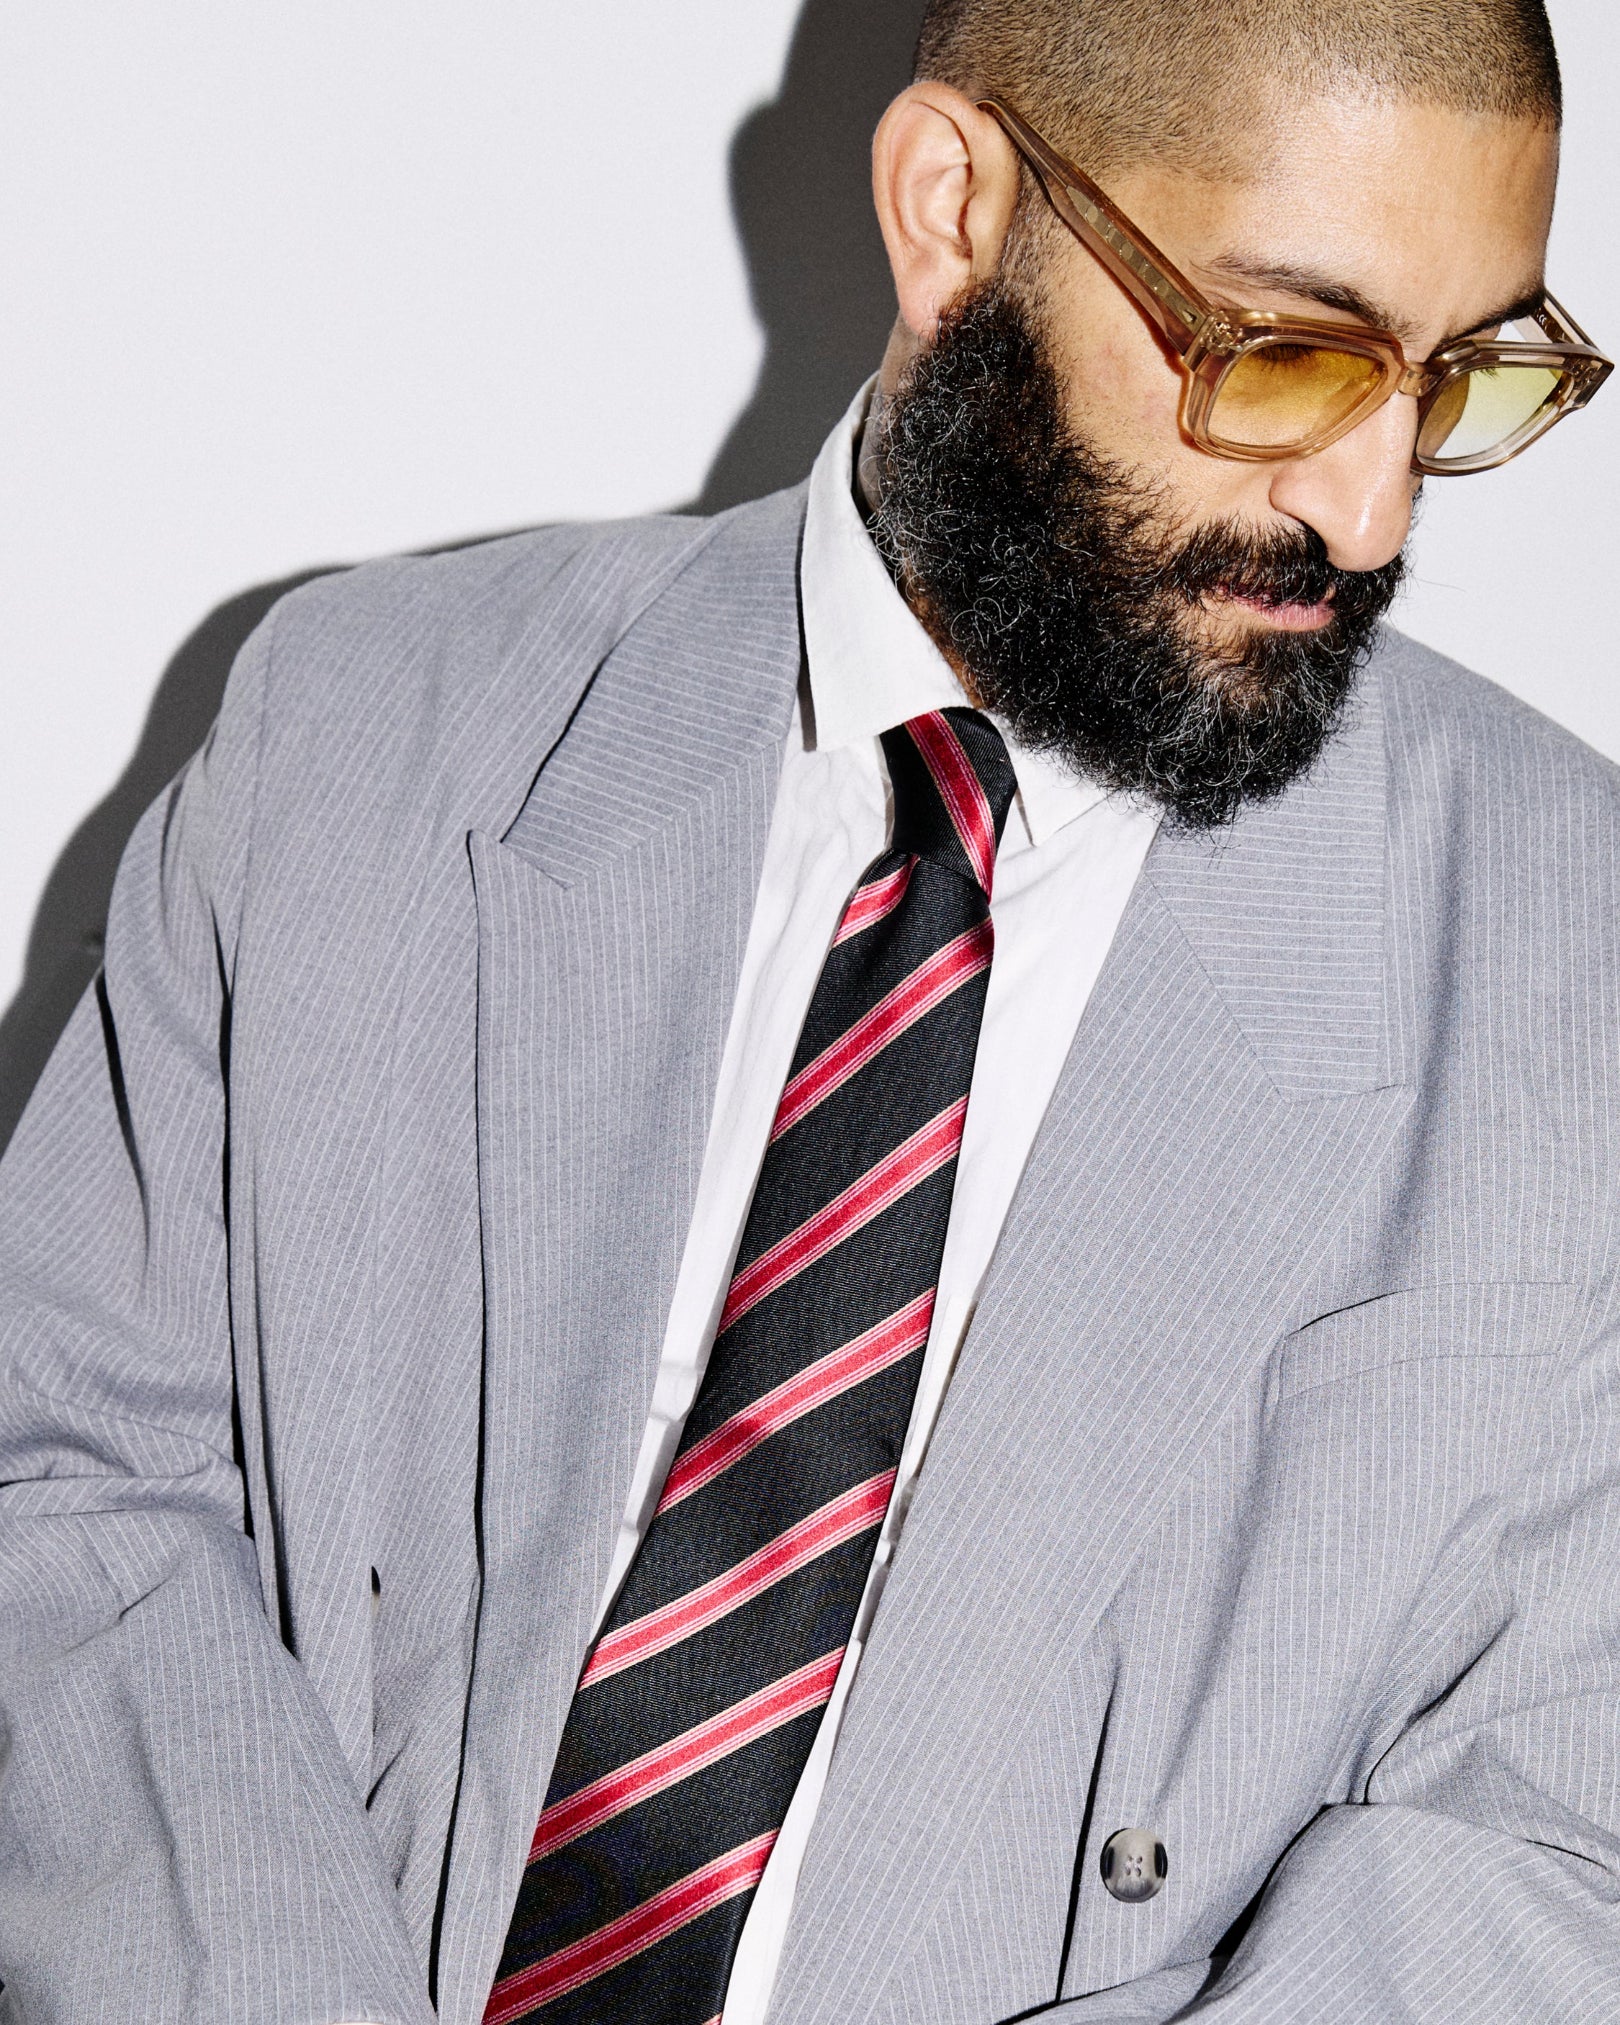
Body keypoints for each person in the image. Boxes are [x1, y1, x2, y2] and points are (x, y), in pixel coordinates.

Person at [0, 0, 1615, 2018]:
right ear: (955, 211)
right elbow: (70, 1474)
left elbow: (1563, 1815)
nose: (1372, 514)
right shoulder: (352, 738)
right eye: (1288, 354)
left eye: (1463, 376)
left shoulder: (1578, 955)